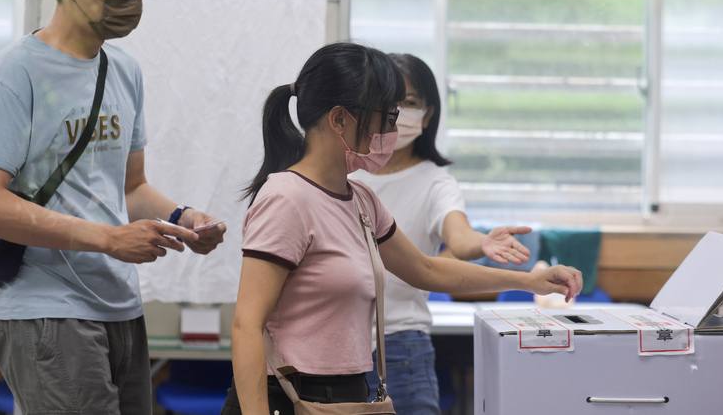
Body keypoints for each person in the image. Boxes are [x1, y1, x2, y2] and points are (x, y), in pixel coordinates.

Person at [0, 0, 226, 415]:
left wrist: (182, 218)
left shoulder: (123, 70)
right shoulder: (18, 73)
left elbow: (129, 188)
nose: (134, 0)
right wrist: (107, 238)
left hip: (120, 307)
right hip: (48, 312)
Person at [223, 42, 582, 414]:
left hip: (347, 393)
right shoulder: (286, 198)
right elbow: (247, 324)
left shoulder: (359, 199)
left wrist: (529, 281)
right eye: (386, 116)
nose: (390, 131)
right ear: (340, 119)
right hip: (291, 396)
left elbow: (426, 269)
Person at [352, 53, 531, 413]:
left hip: (401, 344)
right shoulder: (347, 173)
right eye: (389, 102)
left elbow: (458, 235)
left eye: (411, 102)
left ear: (428, 114)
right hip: (333, 348)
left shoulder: (435, 181)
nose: (399, 113)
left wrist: (481, 242)